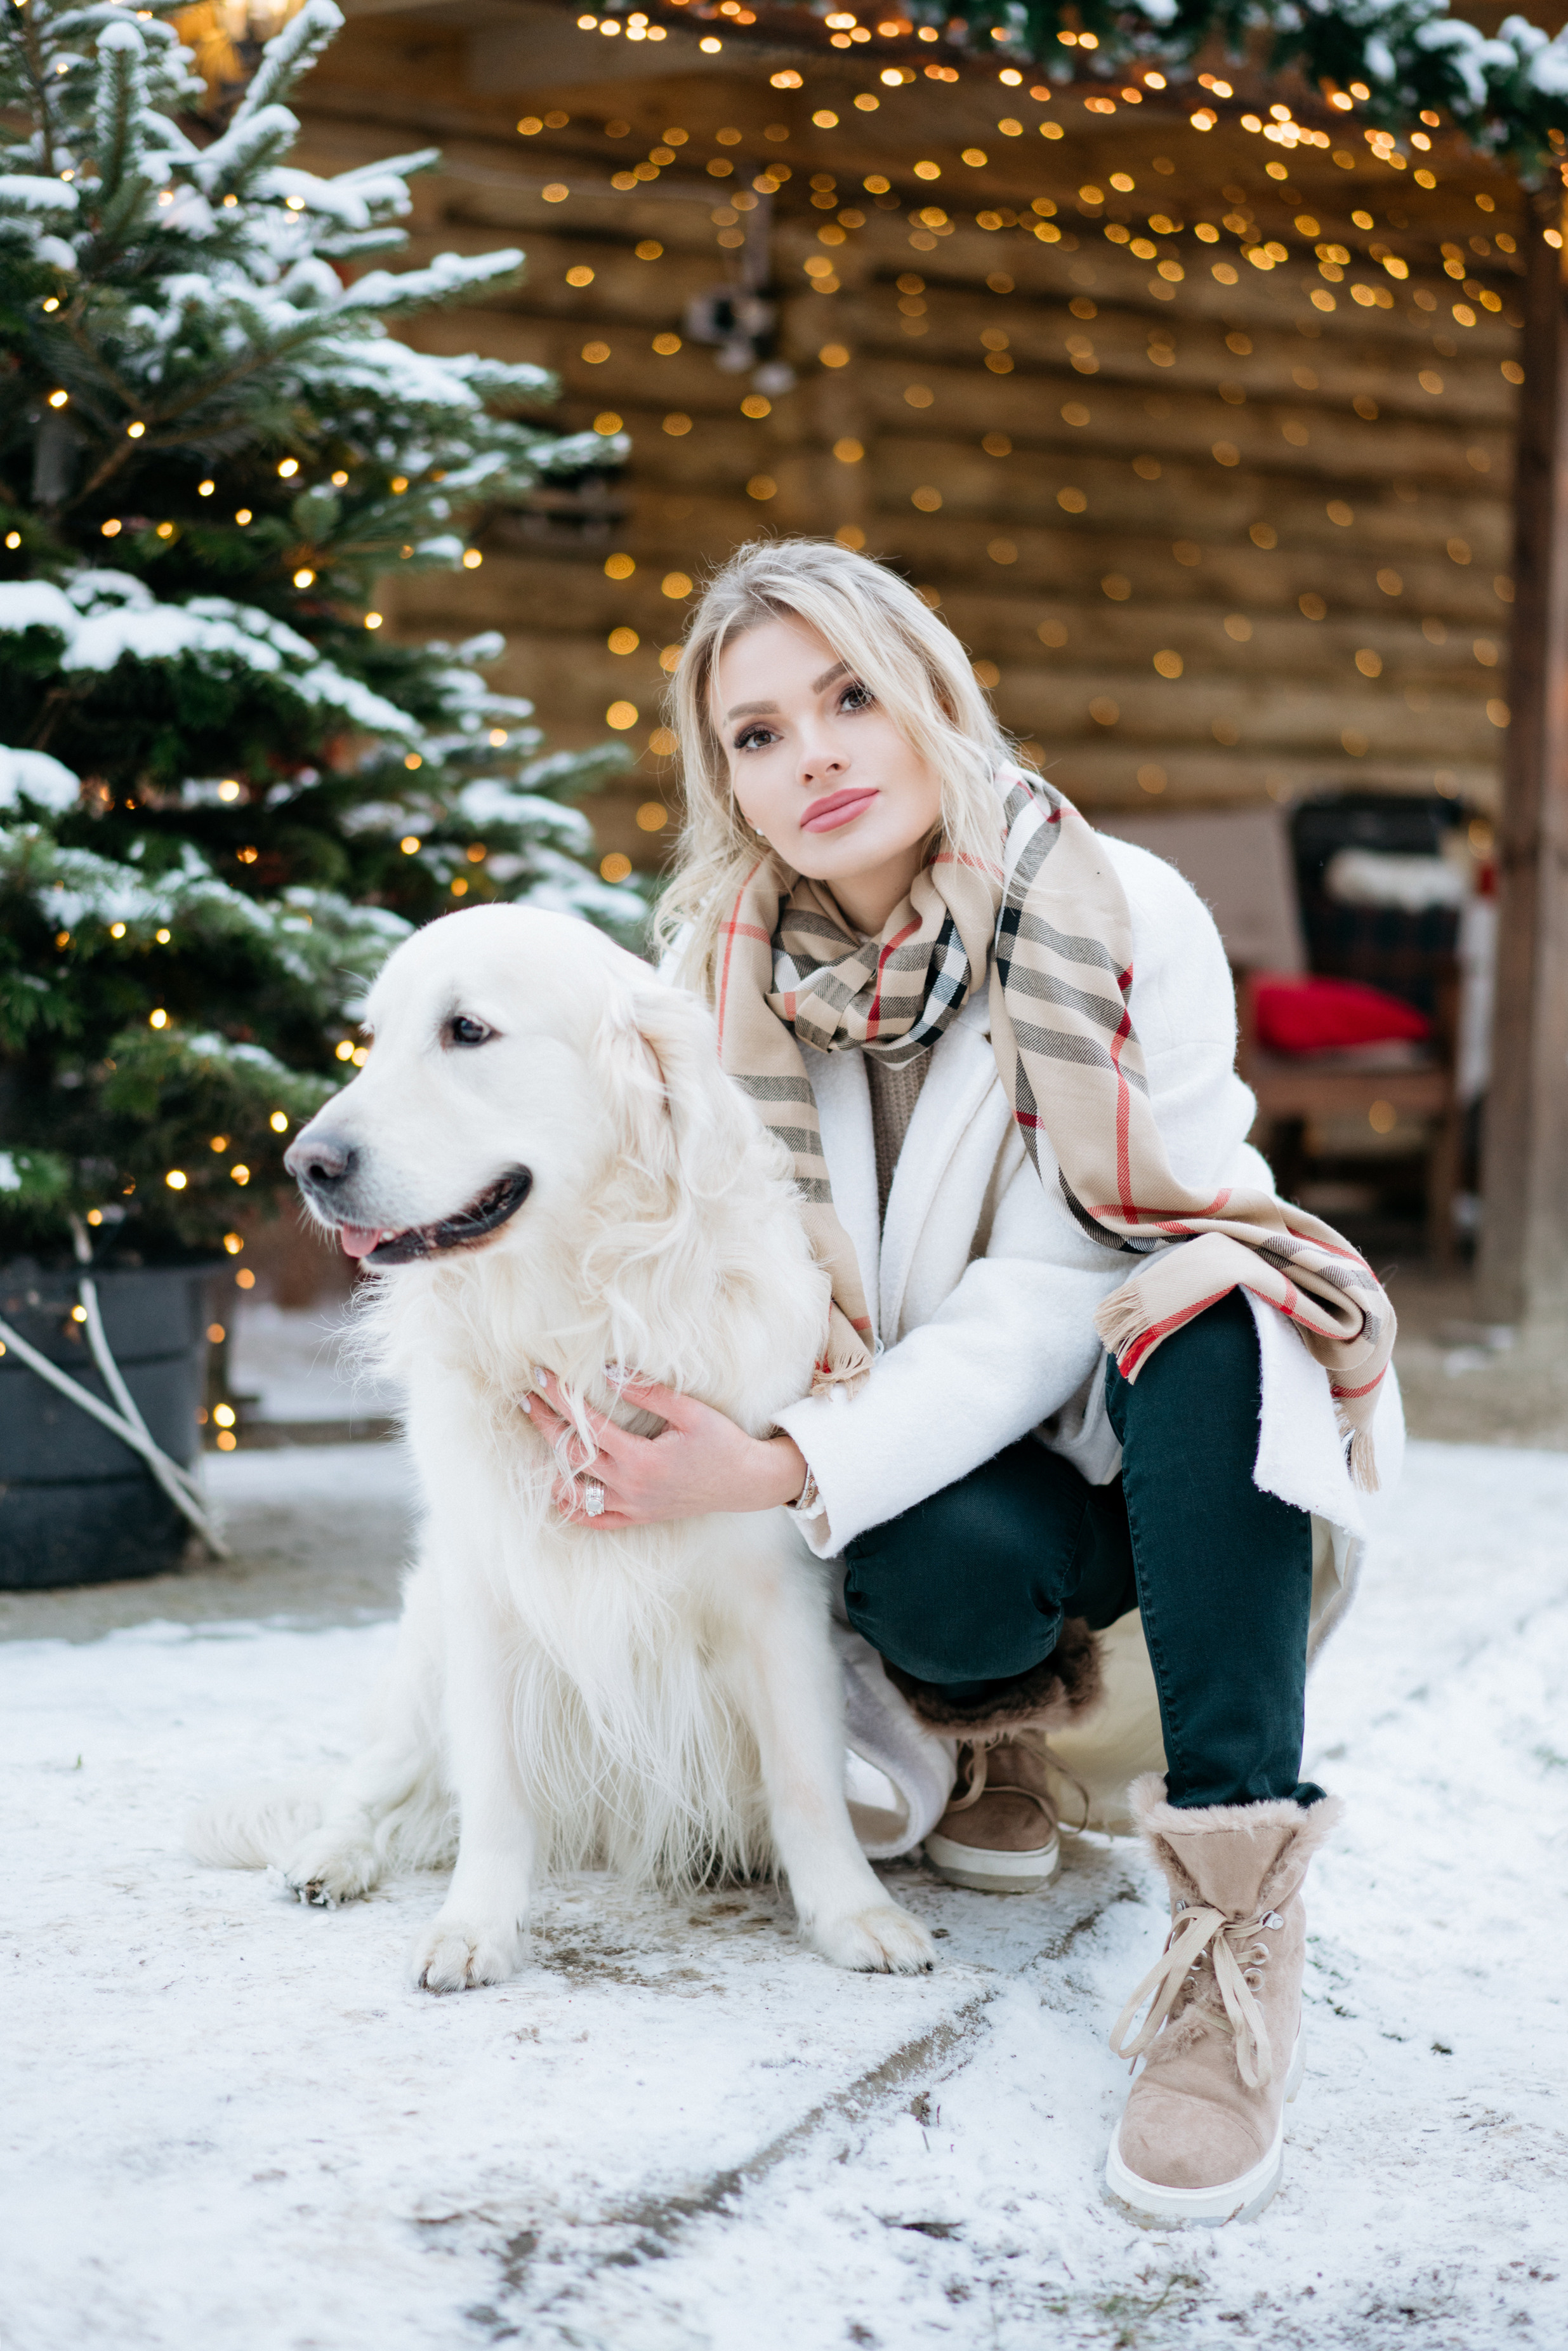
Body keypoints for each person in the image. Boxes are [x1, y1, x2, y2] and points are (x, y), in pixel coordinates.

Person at [527, 539, 1404, 2226]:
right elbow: (658, 1214)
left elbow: (1059, 1283)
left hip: (1169, 1460)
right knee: (938, 1572)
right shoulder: (717, 967)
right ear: (728, 782)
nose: (818, 757)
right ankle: (995, 1732)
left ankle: (1232, 1928)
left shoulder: (1116, 910)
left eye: (851, 695)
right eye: (761, 734)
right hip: (948, 1477)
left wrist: (781, 1461)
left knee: (1206, 1313)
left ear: (932, 692)